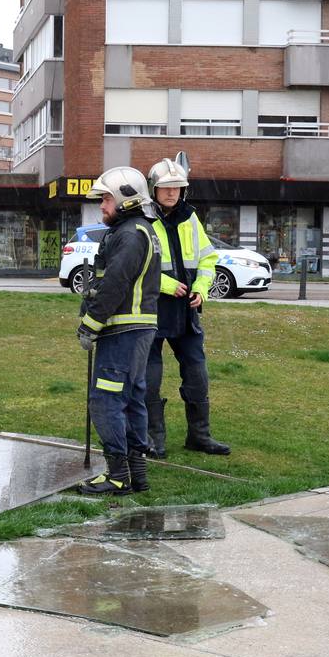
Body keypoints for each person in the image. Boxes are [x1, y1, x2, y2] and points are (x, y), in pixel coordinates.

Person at [74, 166, 161, 496]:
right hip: (138, 332)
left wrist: (90, 324)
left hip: (122, 332)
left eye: (107, 199)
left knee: (105, 401)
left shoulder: (129, 234)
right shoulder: (138, 230)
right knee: (132, 399)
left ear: (127, 199)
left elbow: (115, 284)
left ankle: (117, 476)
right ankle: (137, 475)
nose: (102, 206)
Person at [145, 156, 231, 456]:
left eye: (178, 187)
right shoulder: (141, 220)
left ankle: (199, 436)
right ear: (152, 188)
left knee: (197, 376)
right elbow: (134, 268)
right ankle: (153, 440)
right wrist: (167, 285)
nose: (172, 193)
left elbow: (207, 258)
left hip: (186, 312)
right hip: (152, 310)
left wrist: (201, 289)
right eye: (165, 187)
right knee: (149, 379)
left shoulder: (190, 218)